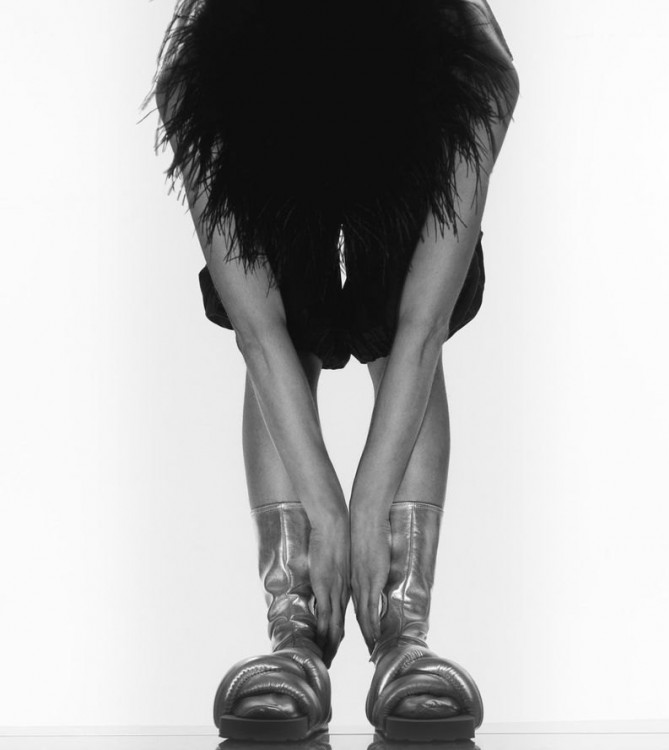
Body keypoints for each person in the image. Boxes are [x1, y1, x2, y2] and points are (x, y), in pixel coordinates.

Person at [143, 0, 519, 742]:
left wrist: (370, 505)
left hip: (420, 103)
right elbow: (260, 333)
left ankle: (400, 629)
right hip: (257, 106)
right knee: (289, 300)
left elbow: (419, 329)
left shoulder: (476, 76)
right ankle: (296, 632)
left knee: (395, 288)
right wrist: (324, 511)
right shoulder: (200, 85)